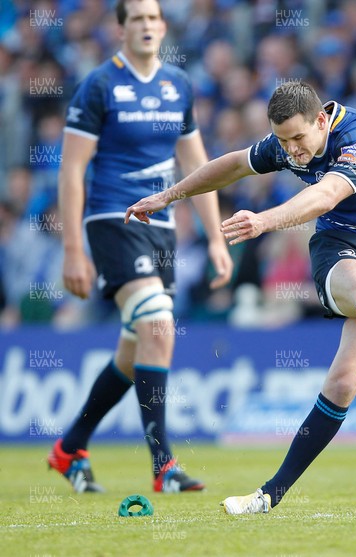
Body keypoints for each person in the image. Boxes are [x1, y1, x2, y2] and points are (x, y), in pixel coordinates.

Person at [125, 81, 356, 513]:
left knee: (343, 383)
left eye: (297, 138)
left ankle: (270, 493)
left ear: (321, 119)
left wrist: (263, 221)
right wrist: (169, 195)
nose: (291, 150)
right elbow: (235, 165)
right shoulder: (290, 141)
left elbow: (325, 194)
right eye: (282, 140)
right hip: (340, 246)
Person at [47, 0, 233, 493]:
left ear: (163, 26)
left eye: (154, 17)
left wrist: (216, 237)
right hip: (112, 218)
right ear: (122, 28)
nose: (148, 25)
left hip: (163, 227)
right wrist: (72, 249)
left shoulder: (179, 85)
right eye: (138, 18)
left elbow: (201, 169)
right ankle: (163, 466)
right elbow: (71, 169)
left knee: (138, 347)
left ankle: (69, 448)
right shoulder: (100, 85)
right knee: (157, 320)